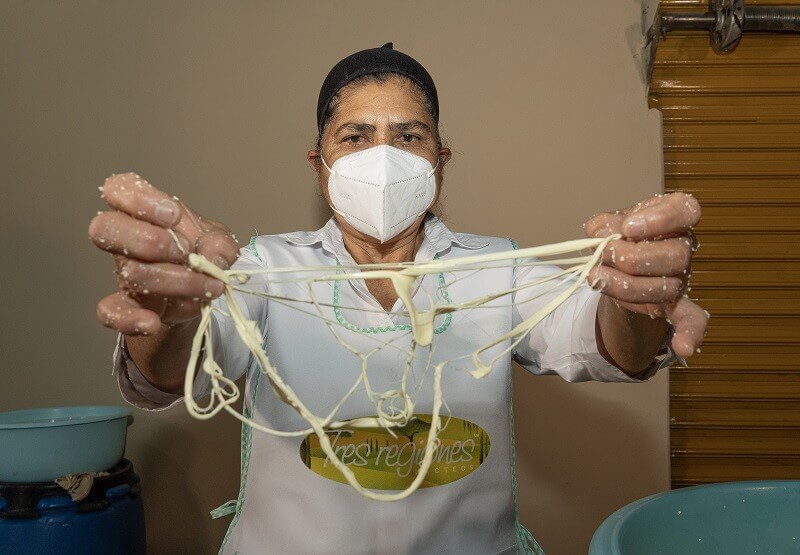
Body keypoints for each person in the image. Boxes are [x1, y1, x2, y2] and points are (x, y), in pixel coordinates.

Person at [88, 43, 707, 555]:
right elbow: (176, 369)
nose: (382, 158)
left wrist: (636, 301)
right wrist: (168, 311)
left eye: (408, 136)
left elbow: (610, 345)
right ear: (320, 163)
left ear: (440, 160)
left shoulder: (498, 268)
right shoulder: (262, 269)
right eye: (355, 136)